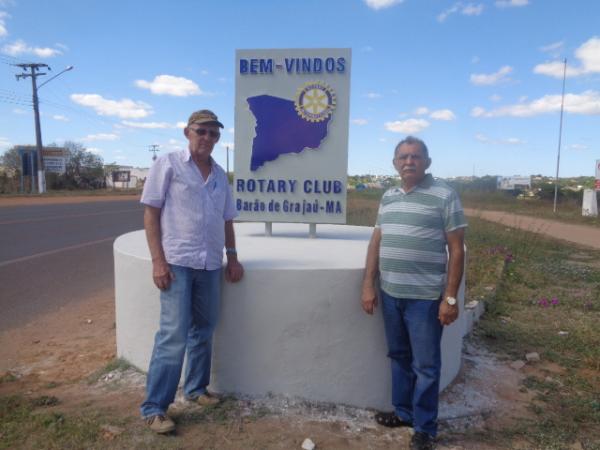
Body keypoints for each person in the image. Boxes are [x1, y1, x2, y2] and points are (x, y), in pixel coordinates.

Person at [139, 109, 244, 434]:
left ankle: (196, 390)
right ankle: (155, 408)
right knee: (173, 335)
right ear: (188, 132)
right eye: (202, 131)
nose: (208, 138)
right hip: (177, 264)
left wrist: (233, 256)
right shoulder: (169, 164)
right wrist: (158, 260)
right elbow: (151, 213)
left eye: (214, 134)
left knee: (205, 328)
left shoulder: (219, 175)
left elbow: (227, 219)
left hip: (210, 265)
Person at [361, 136, 467, 450]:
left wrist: (450, 298)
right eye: (403, 157)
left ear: (427, 162)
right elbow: (376, 242)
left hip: (425, 299)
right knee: (399, 357)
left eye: (416, 156)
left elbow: (456, 249)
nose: (409, 161)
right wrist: (369, 283)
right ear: (395, 163)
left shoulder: (445, 195)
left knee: (426, 366)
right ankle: (404, 413)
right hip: (391, 293)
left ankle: (425, 428)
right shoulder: (388, 196)